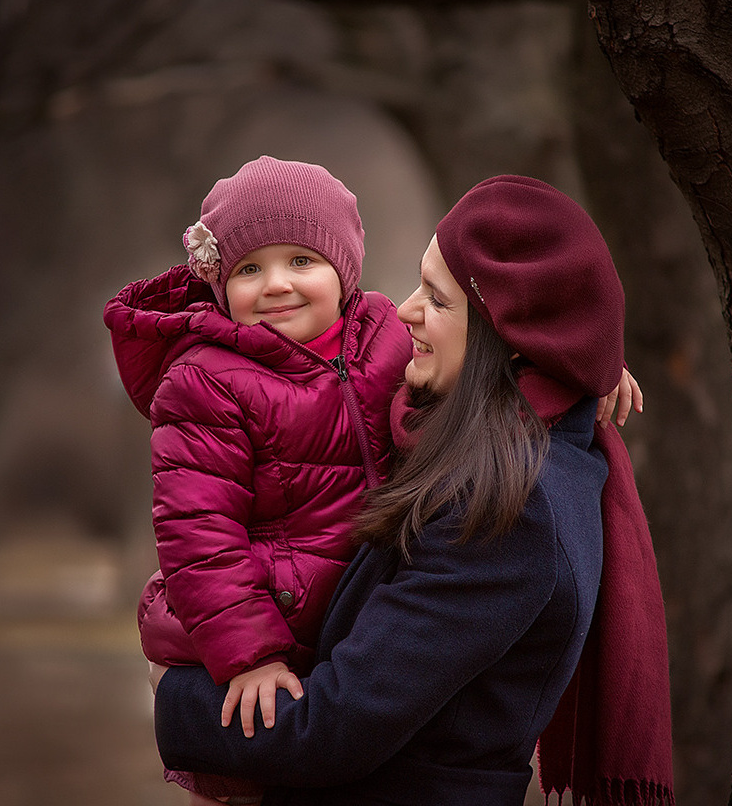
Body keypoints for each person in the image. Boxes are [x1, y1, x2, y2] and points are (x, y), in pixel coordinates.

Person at [151, 175, 674, 806]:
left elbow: (334, 728)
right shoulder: (495, 447)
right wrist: (585, 359)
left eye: (437, 298)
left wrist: (172, 696)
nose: (403, 311)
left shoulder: (511, 507)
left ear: (511, 335)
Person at [103, 156, 413, 804]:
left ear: (345, 268)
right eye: (248, 268)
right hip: (238, 635)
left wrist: (575, 368)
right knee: (251, 781)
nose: (276, 284)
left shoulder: (386, 336)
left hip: (339, 625)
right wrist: (251, 655)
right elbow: (197, 533)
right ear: (221, 284)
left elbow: (470, 371)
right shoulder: (205, 378)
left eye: (301, 260)